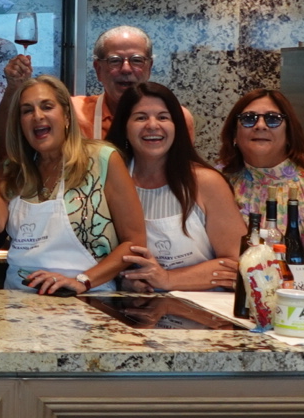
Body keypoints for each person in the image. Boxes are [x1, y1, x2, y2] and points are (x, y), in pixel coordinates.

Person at [0, 75, 146, 295]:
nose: (37, 116)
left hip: (87, 299)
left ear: (66, 115)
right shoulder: (14, 168)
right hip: (19, 301)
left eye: (47, 107)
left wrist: (82, 281)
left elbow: (135, 241)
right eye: (27, 111)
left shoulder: (102, 159)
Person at [104, 82, 243, 292]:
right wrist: (126, 280)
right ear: (124, 126)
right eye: (141, 117)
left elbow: (237, 264)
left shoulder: (207, 183)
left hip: (205, 312)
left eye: (163, 117)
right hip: (134, 309)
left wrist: (168, 278)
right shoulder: (109, 181)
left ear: (176, 126)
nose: (152, 125)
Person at [0, 25, 194, 144]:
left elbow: (184, 172)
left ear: (149, 67)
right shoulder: (73, 112)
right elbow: (7, 147)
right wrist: (14, 89)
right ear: (98, 69)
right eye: (115, 60)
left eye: (136, 60)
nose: (126, 69)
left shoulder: (175, 118)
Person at [218, 88, 304, 231]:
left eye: (273, 119)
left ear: (289, 134)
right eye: (248, 118)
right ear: (234, 134)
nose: (260, 125)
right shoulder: (218, 186)